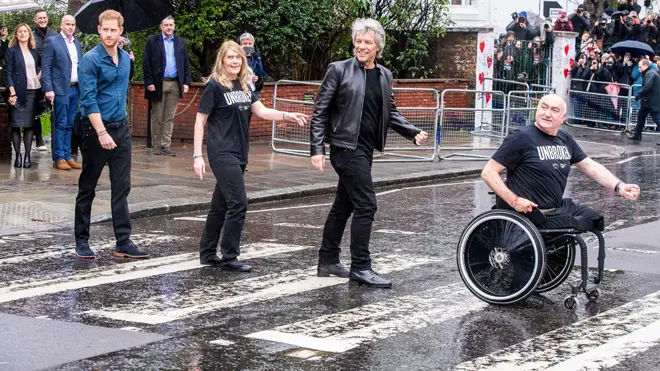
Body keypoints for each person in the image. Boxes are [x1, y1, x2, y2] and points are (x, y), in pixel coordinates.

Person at [309, 18, 429, 289]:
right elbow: (320, 111)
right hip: (345, 148)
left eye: (367, 42)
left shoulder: (384, 75)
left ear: (378, 47)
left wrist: (412, 132)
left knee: (344, 205)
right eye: (358, 41)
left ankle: (327, 260)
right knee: (367, 204)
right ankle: (361, 267)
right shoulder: (338, 70)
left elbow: (391, 112)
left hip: (364, 149)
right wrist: (317, 149)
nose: (361, 46)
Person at [193, 41, 308, 272]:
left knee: (221, 205)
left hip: (239, 151)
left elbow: (262, 111)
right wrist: (197, 155)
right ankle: (229, 256)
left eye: (238, 57)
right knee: (238, 203)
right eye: (230, 57)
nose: (235, 61)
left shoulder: (244, 84)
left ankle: (207, 253)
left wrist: (287, 115)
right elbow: (199, 120)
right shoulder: (215, 86)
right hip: (221, 151)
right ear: (222, 61)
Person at [481, 94, 639, 232]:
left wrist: (620, 186)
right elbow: (488, 172)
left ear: (563, 118)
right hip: (530, 213)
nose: (547, 114)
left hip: (555, 208)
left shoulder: (565, 139)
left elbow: (590, 166)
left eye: (554, 110)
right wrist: (514, 201)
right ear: (537, 111)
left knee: (595, 220)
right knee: (572, 223)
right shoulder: (521, 137)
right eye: (544, 108)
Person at [73, 10, 149, 260]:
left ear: (120, 32)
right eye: (104, 29)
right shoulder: (90, 60)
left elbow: (121, 90)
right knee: (88, 187)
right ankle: (82, 242)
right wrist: (101, 132)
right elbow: (89, 99)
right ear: (98, 30)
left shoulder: (126, 59)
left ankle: (123, 242)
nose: (108, 34)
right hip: (95, 130)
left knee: (122, 187)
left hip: (121, 128)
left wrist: (117, 129)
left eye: (113, 30)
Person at [143, 16, 192, 156]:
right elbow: (146, 63)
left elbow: (185, 64)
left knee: (169, 116)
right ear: (161, 26)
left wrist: (186, 82)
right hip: (158, 84)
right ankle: (156, 145)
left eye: (171, 25)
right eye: (166, 25)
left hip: (175, 84)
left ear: (174, 26)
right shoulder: (152, 41)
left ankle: (166, 145)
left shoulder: (180, 42)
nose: (169, 28)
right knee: (157, 116)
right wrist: (149, 82)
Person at [41, 15, 82, 170]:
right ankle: (59, 157)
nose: (70, 27)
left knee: (70, 123)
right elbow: (46, 67)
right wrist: (48, 89)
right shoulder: (52, 41)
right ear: (61, 25)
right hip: (59, 89)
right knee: (61, 123)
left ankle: (67, 155)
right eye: (68, 24)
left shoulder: (77, 44)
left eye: (73, 24)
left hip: (75, 88)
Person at [5, 24, 40, 168]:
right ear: (16, 34)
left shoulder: (34, 51)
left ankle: (27, 156)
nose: (23, 33)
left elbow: (42, 66)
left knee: (29, 125)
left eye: (25, 31)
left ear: (29, 34)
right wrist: (12, 93)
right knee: (15, 125)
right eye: (20, 31)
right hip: (17, 92)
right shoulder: (11, 51)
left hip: (32, 91)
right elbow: (7, 73)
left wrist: (38, 77)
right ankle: (18, 156)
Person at [32, 9, 57, 152]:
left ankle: (56, 137)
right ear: (35, 20)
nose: (42, 20)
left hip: (52, 77)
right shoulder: (31, 36)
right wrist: (37, 73)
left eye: (44, 17)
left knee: (54, 108)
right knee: (36, 109)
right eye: (39, 18)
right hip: (35, 78)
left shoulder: (54, 35)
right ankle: (39, 138)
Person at [627, 59, 660, 142]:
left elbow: (646, 87)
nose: (639, 69)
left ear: (645, 66)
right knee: (641, 118)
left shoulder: (650, 73)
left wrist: (638, 96)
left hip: (651, 101)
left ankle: (637, 134)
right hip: (648, 101)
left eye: (640, 67)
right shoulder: (650, 73)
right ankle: (637, 134)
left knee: (657, 119)